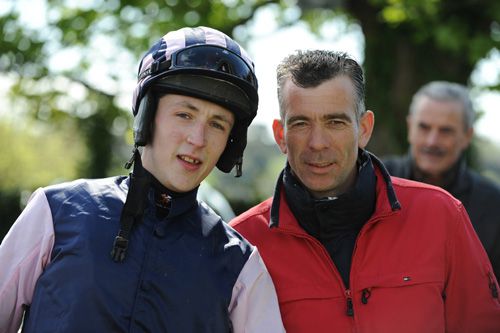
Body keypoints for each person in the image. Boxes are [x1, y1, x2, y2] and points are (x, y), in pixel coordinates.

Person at [0, 26, 285, 333]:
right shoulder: (55, 213)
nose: (198, 138)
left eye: (217, 124)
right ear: (147, 116)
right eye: (184, 115)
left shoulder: (240, 265)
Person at [229, 50, 500, 332]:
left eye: (335, 122)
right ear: (281, 135)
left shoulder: (442, 215)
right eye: (301, 123)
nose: (318, 143)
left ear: (364, 128)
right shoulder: (244, 245)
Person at [383, 81, 500, 279]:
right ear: (410, 127)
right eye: (424, 127)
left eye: (445, 131)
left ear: (467, 136)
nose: (432, 141)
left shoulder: (493, 205)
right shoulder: (374, 181)